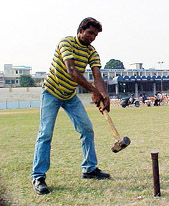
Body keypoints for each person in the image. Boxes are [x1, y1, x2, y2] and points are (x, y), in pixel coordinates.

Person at [31, 17, 111, 195]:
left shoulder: (92, 52)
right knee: (45, 134)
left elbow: (97, 76)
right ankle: (38, 176)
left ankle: (89, 169)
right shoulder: (66, 42)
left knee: (87, 129)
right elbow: (72, 70)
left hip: (69, 96)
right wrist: (93, 91)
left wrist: (104, 94)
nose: (92, 37)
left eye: (95, 35)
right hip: (51, 92)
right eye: (90, 33)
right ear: (80, 30)